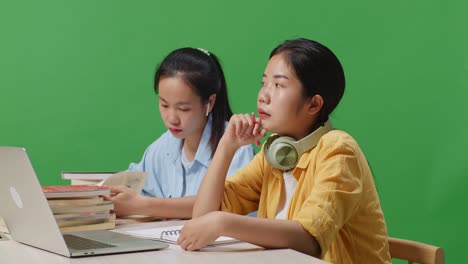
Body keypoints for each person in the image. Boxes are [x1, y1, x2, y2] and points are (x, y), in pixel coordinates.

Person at [178, 38, 391, 263]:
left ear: (314, 104)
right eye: (264, 83)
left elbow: (308, 240)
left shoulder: (338, 150)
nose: (263, 95)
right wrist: (226, 147)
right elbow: (201, 218)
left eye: (279, 85)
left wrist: (223, 223)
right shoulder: (275, 154)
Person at [105, 47, 255, 219]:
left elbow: (224, 205)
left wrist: (143, 205)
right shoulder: (162, 147)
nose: (172, 118)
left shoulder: (236, 144)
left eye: (183, 108)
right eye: (164, 105)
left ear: (209, 102)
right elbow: (134, 186)